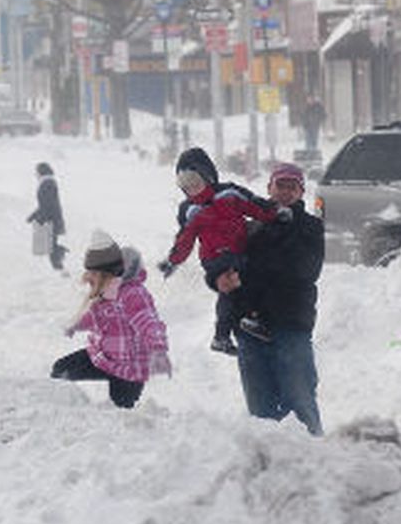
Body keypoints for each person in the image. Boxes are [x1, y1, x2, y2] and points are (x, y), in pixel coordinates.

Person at [216, 162, 324, 436]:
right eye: (280, 185)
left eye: (292, 186)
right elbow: (227, 267)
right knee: (260, 409)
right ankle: (270, 464)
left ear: (301, 192)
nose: (285, 192)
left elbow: (305, 270)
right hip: (250, 329)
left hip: (291, 326)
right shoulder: (250, 228)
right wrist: (219, 280)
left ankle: (315, 459)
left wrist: (273, 237)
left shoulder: (310, 227)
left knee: (300, 400)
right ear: (269, 189)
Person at [157, 147, 282, 355]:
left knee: (233, 289)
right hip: (213, 257)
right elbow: (184, 240)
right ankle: (251, 316)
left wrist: (275, 214)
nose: (191, 187)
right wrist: (173, 261)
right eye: (184, 184)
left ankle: (221, 336)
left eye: (194, 180)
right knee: (237, 277)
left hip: (238, 249)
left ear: (207, 175)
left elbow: (254, 206)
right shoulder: (189, 209)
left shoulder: (229, 193)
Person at [51, 231, 171, 409]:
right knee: (61, 370)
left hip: (129, 370)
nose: (89, 279)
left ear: (106, 274)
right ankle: (60, 411)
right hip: (102, 358)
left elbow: (149, 323)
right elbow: (94, 317)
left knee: (121, 414)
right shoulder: (104, 293)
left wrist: (158, 349)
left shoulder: (133, 294)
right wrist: (76, 325)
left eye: (93, 274)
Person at [26, 162, 67, 271]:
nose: (35, 174)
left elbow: (48, 204)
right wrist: (33, 216)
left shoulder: (47, 184)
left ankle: (60, 268)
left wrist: (39, 218)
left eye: (37, 172)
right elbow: (45, 204)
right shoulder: (47, 183)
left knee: (49, 247)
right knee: (48, 245)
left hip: (50, 219)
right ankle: (59, 266)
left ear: (41, 171)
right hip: (51, 218)